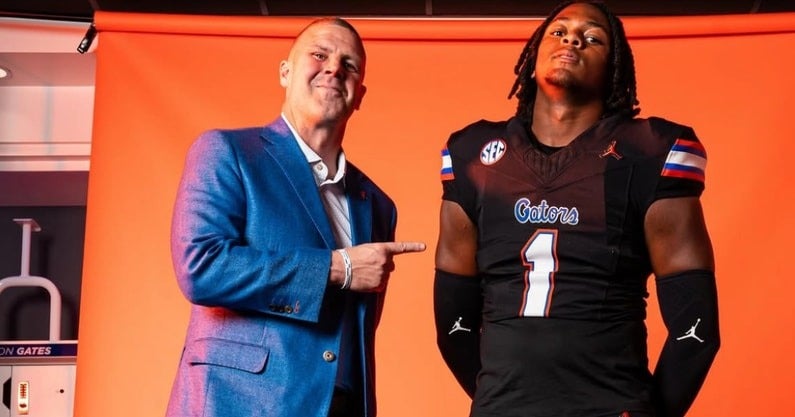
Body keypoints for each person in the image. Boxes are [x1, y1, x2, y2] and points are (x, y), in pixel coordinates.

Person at [433, 1, 720, 416]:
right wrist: (499, 397)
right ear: (531, 57)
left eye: (594, 37)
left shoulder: (649, 151)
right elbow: (454, 324)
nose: (572, 38)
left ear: (615, 69)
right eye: (558, 31)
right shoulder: (474, 156)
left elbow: (696, 328)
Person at [166, 17, 425, 417]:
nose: (334, 68)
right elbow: (201, 267)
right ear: (285, 72)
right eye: (319, 55)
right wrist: (337, 268)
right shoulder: (227, 151)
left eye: (349, 65)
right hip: (237, 404)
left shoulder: (376, 203)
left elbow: (355, 331)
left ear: (360, 95)